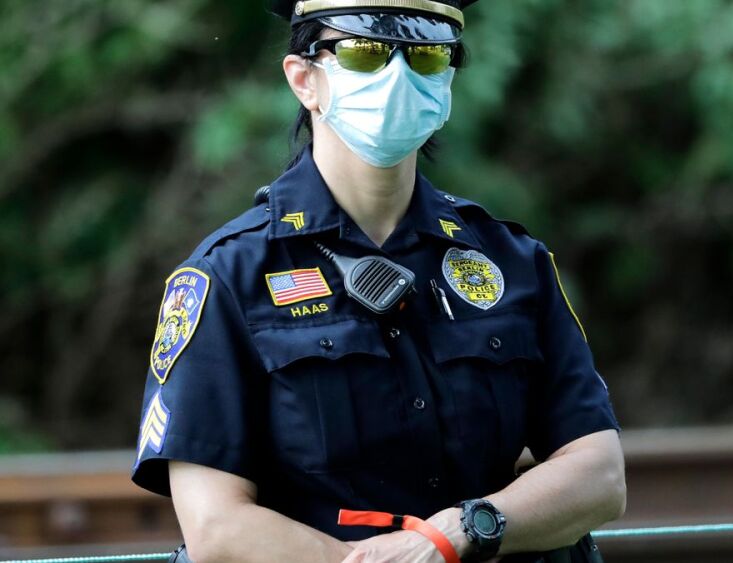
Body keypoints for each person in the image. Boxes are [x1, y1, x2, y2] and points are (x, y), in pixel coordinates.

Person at [130, 1, 626, 561]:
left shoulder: (512, 261)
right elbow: (215, 525)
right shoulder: (228, 274)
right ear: (303, 79)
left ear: (449, 82)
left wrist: (456, 535)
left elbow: (599, 476)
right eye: (364, 54)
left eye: (427, 56)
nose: (399, 77)